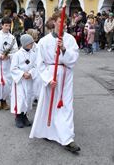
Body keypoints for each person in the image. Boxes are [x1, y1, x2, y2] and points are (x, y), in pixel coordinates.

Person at [29, 12, 81, 153]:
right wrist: (47, 79)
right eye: (60, 21)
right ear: (53, 22)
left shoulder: (70, 39)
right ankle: (48, 131)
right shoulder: (44, 41)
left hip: (66, 76)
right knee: (49, 105)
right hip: (51, 77)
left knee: (66, 106)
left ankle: (67, 139)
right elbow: (39, 64)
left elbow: (74, 58)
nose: (62, 24)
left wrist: (64, 49)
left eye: (64, 22)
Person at [0, 17, 18, 111]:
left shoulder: (12, 38)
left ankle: (4, 100)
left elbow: (15, 51)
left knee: (7, 83)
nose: (7, 27)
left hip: (8, 63)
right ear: (2, 25)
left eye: (9, 25)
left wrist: (9, 55)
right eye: (6, 25)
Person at [10, 34, 37, 128]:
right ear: (25, 44)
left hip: (29, 80)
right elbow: (13, 68)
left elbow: (35, 66)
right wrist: (22, 74)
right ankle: (18, 117)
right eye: (30, 43)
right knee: (20, 99)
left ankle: (25, 115)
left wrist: (31, 73)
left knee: (28, 98)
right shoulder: (17, 55)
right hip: (20, 81)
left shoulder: (34, 54)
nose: (32, 44)